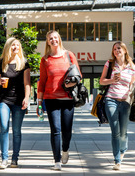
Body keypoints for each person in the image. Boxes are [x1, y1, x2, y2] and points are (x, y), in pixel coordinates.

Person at [37, 30, 80, 171]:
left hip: (67, 98)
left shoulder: (69, 55)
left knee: (67, 130)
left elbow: (79, 75)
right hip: (51, 99)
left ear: (59, 39)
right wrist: (39, 101)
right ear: (48, 41)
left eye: (55, 37)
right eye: (50, 38)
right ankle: (56, 160)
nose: (53, 40)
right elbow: (42, 81)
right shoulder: (45, 60)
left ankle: (65, 149)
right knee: (55, 129)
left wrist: (71, 83)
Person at [99, 41, 135, 171]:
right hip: (111, 99)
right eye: (114, 49)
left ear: (124, 50)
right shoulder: (110, 64)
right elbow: (101, 81)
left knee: (123, 132)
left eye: (119, 48)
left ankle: (123, 149)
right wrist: (112, 80)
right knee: (115, 131)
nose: (117, 51)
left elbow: (132, 86)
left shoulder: (132, 67)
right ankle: (117, 160)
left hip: (126, 101)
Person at [0, 37, 31, 169]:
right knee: (4, 127)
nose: (16, 47)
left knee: (16, 130)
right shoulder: (0, 63)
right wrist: (0, 82)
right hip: (3, 100)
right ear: (8, 47)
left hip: (18, 101)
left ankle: (14, 159)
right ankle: (4, 159)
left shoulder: (24, 64)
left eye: (17, 45)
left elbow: (27, 83)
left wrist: (27, 98)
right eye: (13, 45)